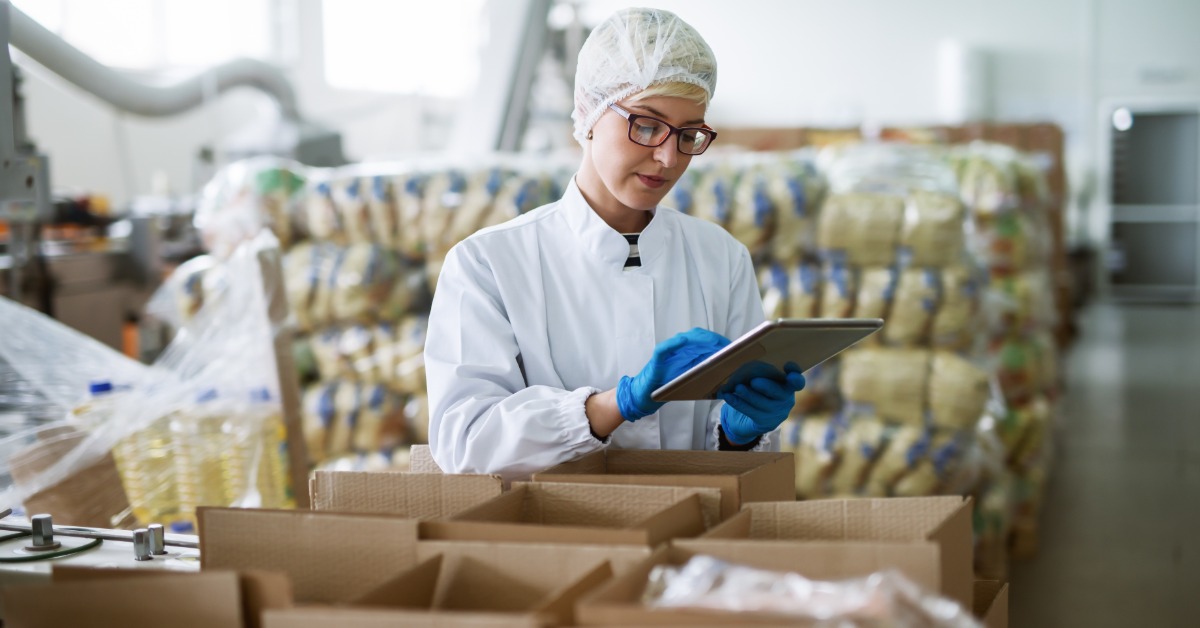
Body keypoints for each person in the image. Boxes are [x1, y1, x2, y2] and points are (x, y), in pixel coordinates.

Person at [425, 7, 805, 480]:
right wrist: (612, 406)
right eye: (646, 124)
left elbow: (732, 461)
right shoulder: (488, 264)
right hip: (550, 539)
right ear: (588, 110)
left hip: (693, 532)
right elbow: (463, 442)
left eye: (689, 134)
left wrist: (740, 433)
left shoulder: (720, 258)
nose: (668, 156)